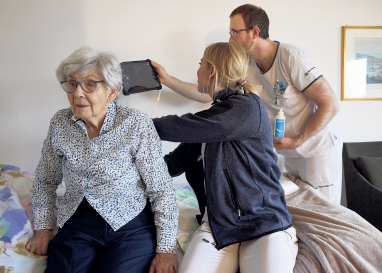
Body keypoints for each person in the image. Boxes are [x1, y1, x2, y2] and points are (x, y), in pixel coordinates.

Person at [151, 4, 343, 204]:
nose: (230, 39)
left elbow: (330, 105)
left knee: (323, 211)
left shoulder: (292, 57)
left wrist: (298, 140)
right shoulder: (247, 64)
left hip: (316, 148)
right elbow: (208, 94)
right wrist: (167, 80)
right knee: (299, 210)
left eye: (235, 32)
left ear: (255, 32)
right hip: (289, 151)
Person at [25, 46, 179, 273]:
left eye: (89, 84)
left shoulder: (136, 124)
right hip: (78, 222)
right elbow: (46, 180)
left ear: (112, 91)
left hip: (130, 224)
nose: (77, 93)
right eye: (72, 83)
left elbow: (161, 189)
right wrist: (43, 229)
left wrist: (166, 249)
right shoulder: (60, 123)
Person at [153, 42, 298, 273]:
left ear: (211, 70)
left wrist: (131, 123)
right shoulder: (211, 120)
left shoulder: (247, 107)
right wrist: (127, 174)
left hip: (264, 223)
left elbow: (177, 126)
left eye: (200, 64)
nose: (197, 69)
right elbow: (173, 163)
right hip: (219, 226)